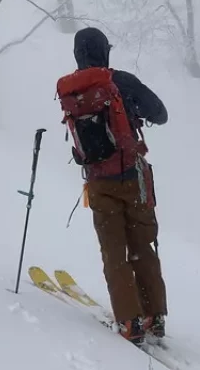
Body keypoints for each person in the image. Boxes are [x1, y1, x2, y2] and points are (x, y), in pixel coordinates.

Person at [60, 26, 168, 345]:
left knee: (113, 252)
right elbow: (160, 114)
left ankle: (129, 322)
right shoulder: (121, 81)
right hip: (134, 179)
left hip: (98, 183)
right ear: (105, 51)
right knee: (142, 245)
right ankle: (154, 316)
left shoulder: (72, 90)